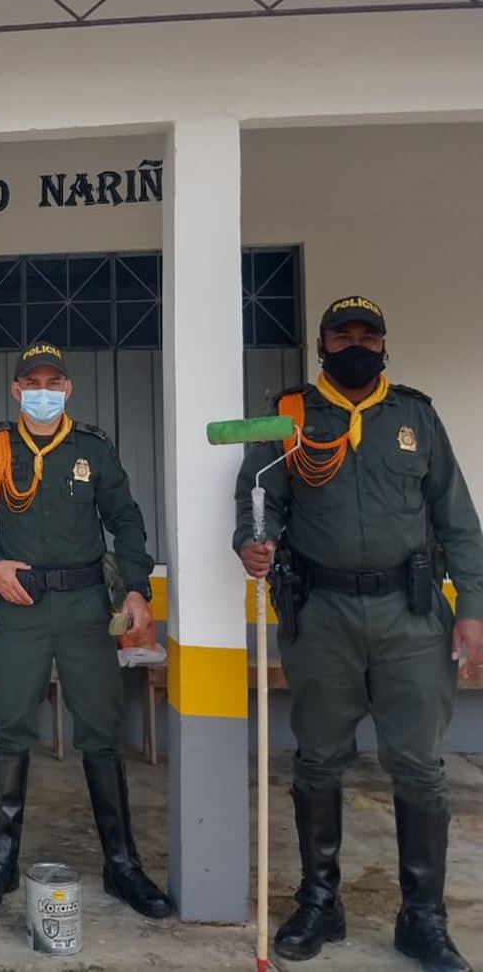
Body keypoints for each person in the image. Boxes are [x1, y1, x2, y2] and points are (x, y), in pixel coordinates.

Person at [234, 296, 482, 971]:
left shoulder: (416, 416)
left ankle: (423, 919)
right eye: (342, 335)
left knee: (420, 767)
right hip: (322, 614)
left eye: (367, 336)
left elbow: (457, 517)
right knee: (317, 759)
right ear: (320, 346)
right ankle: (321, 903)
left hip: (411, 615)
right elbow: (258, 500)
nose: (355, 345)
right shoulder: (288, 415)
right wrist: (252, 543)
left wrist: (474, 607)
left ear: (383, 346)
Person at [0, 341, 169, 919]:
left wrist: (135, 587)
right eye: (32, 382)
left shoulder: (92, 448)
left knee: (101, 731)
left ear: (68, 389)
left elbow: (125, 519)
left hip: (84, 608)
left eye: (54, 381)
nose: (42, 390)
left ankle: (123, 865)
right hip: (20, 605)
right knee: (11, 731)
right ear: (16, 390)